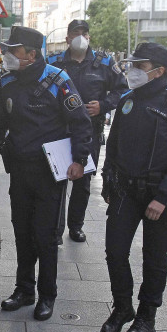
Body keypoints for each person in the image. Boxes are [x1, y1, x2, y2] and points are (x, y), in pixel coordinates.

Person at [0, 26, 93, 321]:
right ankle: (24, 289)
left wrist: (80, 159)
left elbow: (80, 122)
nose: (8, 56)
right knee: (22, 232)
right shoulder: (8, 81)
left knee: (45, 236)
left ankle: (47, 295)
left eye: (14, 51)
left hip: (49, 173)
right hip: (20, 170)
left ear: (32, 54)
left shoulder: (58, 80)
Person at [99, 43, 167, 332]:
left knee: (154, 257)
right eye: (133, 65)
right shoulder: (128, 100)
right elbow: (113, 145)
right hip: (125, 190)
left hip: (159, 195)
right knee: (115, 251)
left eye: (140, 66)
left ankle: (147, 314)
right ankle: (123, 307)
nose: (133, 71)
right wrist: (107, 181)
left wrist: (163, 197)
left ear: (159, 71)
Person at [49, 19, 128, 243]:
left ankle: (76, 225)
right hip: (58, 130)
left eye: (84, 33)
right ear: (67, 37)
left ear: (89, 37)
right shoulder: (54, 62)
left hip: (89, 132)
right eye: (76, 33)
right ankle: (55, 228)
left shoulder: (104, 63)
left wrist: (102, 105)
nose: (80, 37)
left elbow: (122, 90)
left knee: (82, 182)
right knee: (57, 181)